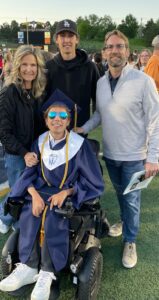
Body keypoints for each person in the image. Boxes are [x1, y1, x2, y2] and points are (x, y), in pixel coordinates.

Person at [0, 89, 104, 300]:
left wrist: (67, 192)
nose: (58, 120)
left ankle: (48, 272)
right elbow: (29, 173)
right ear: (46, 120)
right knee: (30, 209)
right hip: (40, 191)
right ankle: (28, 268)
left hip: (65, 195)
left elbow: (91, 180)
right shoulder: (40, 142)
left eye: (63, 115)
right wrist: (33, 194)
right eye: (53, 116)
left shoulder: (79, 146)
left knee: (55, 213)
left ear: (69, 120)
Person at [76, 30, 159, 268]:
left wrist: (153, 157)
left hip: (138, 157)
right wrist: (84, 128)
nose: (115, 50)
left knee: (132, 199)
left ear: (127, 50)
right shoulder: (101, 83)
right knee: (123, 194)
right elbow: (101, 113)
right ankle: (124, 222)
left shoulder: (143, 81)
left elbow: (156, 120)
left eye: (120, 46)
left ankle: (130, 240)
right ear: (104, 52)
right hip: (111, 155)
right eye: (110, 46)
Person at [0, 45, 47, 234]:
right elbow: (4, 132)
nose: (29, 69)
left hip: (34, 152)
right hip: (17, 155)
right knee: (18, 191)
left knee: (27, 189)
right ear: (18, 66)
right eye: (25, 65)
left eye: (33, 65)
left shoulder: (37, 92)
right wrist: (24, 152)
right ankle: (8, 220)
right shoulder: (8, 93)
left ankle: (10, 218)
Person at [46, 19, 100, 128]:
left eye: (70, 35)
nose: (66, 40)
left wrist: (87, 127)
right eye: (62, 35)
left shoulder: (90, 67)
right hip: (54, 132)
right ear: (56, 39)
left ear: (77, 39)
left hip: (79, 132)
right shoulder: (48, 67)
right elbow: (42, 102)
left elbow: (99, 102)